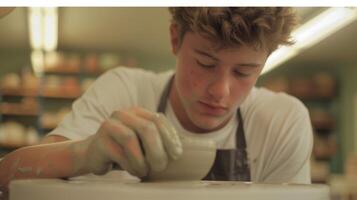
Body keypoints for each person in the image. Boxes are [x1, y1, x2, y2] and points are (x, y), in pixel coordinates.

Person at [0, 7, 313, 195]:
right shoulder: (123, 90)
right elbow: (8, 178)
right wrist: (85, 152)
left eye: (244, 72)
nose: (221, 90)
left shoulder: (281, 122)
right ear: (175, 38)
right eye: (205, 63)